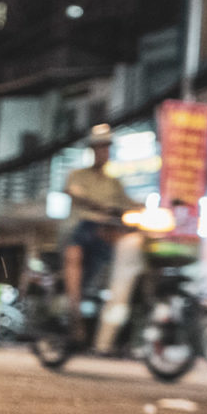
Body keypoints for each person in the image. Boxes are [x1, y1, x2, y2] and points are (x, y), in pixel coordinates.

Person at [62, 126, 137, 343]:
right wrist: (99, 206)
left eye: (107, 148)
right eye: (100, 148)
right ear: (93, 150)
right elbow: (73, 192)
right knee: (75, 251)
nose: (104, 152)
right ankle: (74, 311)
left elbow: (130, 204)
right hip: (81, 230)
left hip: (106, 234)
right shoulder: (78, 175)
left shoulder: (114, 183)